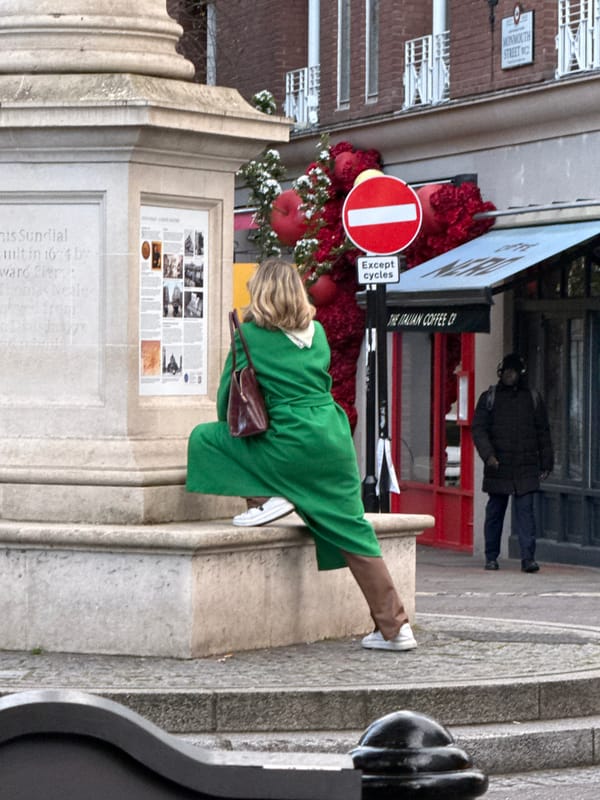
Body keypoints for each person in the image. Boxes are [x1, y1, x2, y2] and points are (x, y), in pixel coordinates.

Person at [187, 259, 416, 651]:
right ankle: (396, 628)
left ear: (261, 293)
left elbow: (229, 402)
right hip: (333, 435)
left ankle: (266, 499)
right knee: (353, 528)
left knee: (206, 439)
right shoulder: (319, 332)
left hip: (289, 441)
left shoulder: (251, 335)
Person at [471, 353, 553, 573]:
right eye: (506, 372)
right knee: (495, 512)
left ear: (520, 373)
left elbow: (543, 432)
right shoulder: (490, 397)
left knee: (526, 513)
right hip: (498, 465)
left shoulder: (532, 398)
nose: (509, 376)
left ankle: (528, 558)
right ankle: (491, 556)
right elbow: (478, 429)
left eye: (513, 372)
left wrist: (546, 463)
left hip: (526, 465)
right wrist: (489, 456)